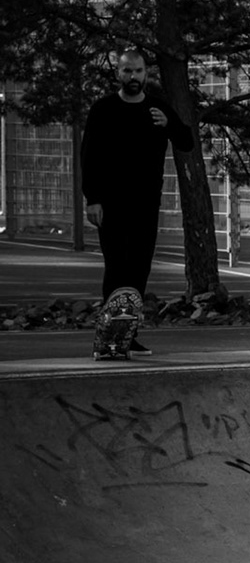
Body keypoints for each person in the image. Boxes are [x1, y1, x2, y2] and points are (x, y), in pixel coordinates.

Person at [80, 47, 191, 357]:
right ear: (118, 73)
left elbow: (187, 141)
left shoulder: (158, 108)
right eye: (127, 71)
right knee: (117, 268)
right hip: (112, 206)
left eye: (138, 71)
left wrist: (168, 123)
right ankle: (107, 338)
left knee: (138, 271)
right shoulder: (103, 109)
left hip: (145, 206)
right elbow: (89, 157)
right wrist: (93, 199)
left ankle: (128, 335)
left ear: (146, 74)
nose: (133, 77)